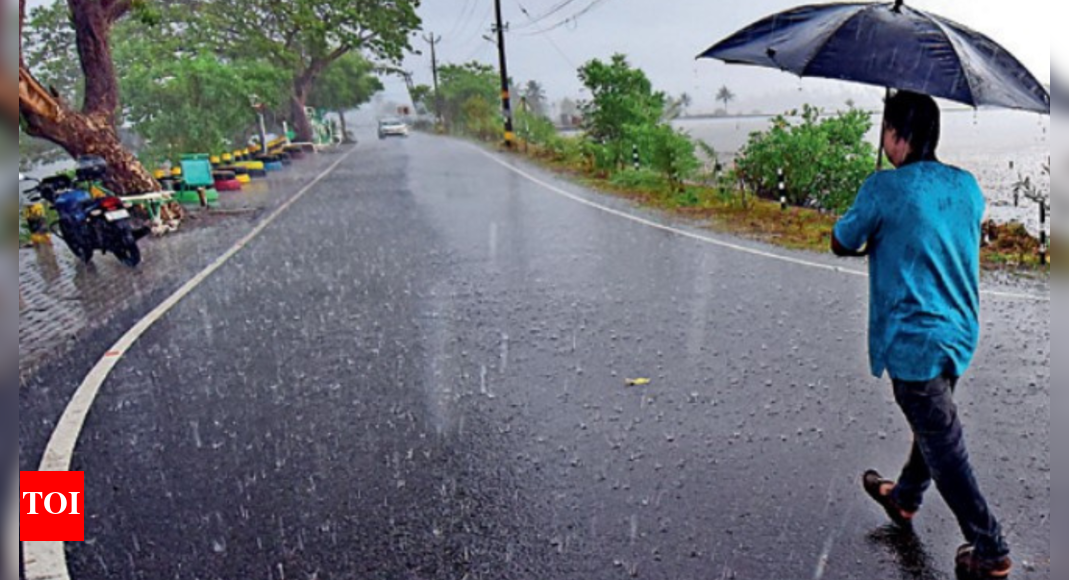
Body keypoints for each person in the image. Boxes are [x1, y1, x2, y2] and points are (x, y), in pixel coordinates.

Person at [831, 91, 1012, 580]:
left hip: (915, 340)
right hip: (959, 331)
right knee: (933, 422)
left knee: (943, 441)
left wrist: (872, 198)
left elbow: (841, 240)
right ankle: (905, 498)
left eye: (885, 128)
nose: (883, 137)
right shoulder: (967, 186)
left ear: (897, 135)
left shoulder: (883, 189)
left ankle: (990, 548)